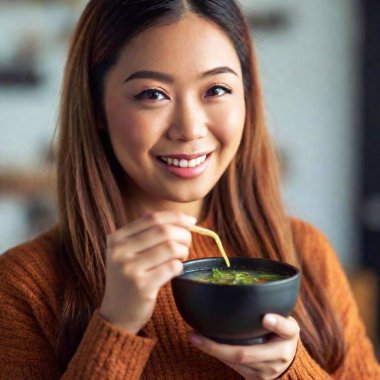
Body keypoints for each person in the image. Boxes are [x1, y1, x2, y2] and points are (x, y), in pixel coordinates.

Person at [0, 0, 379, 379]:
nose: (190, 128)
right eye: (153, 94)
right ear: (96, 107)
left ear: (247, 97)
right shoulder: (25, 286)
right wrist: (114, 326)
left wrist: (290, 372)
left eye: (216, 89)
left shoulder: (305, 252)